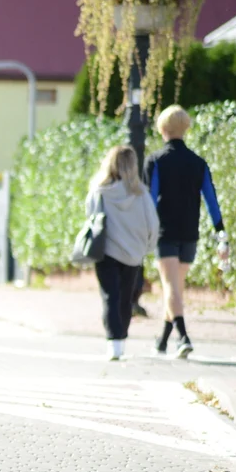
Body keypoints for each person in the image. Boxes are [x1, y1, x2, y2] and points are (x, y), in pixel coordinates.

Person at [144, 105, 229, 358]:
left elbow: (150, 199)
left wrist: (144, 230)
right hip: (190, 232)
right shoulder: (198, 163)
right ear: (185, 129)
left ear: (162, 129)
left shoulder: (156, 161)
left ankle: (183, 337)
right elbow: (211, 200)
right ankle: (162, 340)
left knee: (170, 288)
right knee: (176, 288)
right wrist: (220, 231)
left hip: (165, 232)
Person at [85, 145, 159, 361]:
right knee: (126, 298)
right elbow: (153, 225)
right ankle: (121, 338)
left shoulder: (99, 191)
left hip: (106, 252)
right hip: (133, 254)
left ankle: (113, 342)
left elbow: (90, 218)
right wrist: (147, 248)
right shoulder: (141, 194)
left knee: (110, 296)